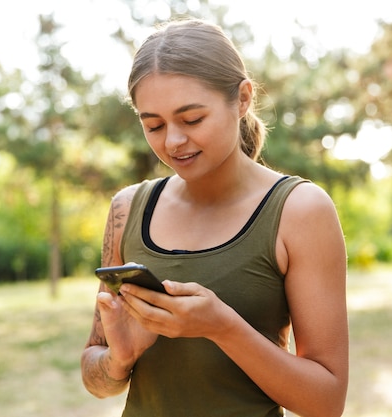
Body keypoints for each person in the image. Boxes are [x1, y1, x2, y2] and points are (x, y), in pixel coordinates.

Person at [81, 18, 349, 417]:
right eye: (153, 125)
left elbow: (325, 403)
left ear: (242, 99)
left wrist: (222, 326)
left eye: (192, 120)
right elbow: (95, 373)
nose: (172, 141)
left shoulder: (300, 210)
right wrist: (119, 358)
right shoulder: (127, 208)